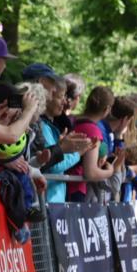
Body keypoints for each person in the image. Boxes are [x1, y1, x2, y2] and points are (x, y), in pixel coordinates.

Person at [37, 75, 94, 203]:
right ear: (48, 97)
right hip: (47, 200)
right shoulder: (42, 127)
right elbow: (53, 165)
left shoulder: (54, 127)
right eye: (60, 97)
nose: (64, 102)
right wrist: (78, 153)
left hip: (55, 199)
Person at [66, 86, 125, 202]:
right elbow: (90, 172)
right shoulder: (93, 131)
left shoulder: (71, 120)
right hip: (76, 189)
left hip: (63, 186)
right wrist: (110, 171)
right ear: (107, 109)